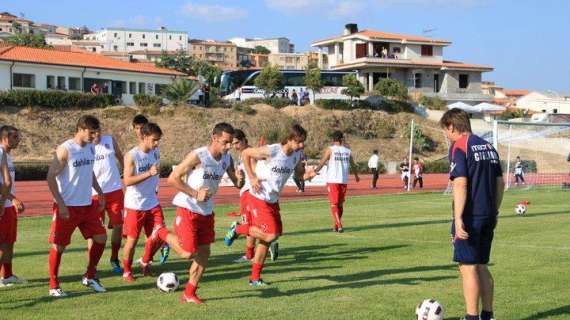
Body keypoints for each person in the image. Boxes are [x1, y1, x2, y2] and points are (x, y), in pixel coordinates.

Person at [224, 124, 316, 287]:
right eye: (299, 142)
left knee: (271, 237)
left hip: (272, 200)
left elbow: (299, 175)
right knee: (271, 234)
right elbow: (245, 153)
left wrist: (308, 175)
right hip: (258, 197)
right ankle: (238, 229)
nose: (302, 145)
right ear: (289, 139)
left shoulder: (297, 154)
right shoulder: (272, 150)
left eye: (303, 142)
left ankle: (254, 278)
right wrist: (252, 177)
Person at [168, 123, 244, 304]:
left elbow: (237, 184)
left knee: (203, 254)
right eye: (225, 143)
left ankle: (189, 292)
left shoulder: (227, 159)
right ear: (214, 138)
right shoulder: (199, 155)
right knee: (188, 253)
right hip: (188, 207)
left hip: (206, 212)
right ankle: (160, 233)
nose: (228, 147)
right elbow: (173, 179)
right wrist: (195, 194)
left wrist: (241, 179)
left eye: (230, 143)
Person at [440, 108, 504, 320]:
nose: (446, 135)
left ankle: (471, 317)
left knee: (468, 268)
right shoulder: (489, 147)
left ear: (452, 126)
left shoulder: (459, 146)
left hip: (470, 217)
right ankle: (488, 315)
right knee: (482, 265)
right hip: (487, 215)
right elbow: (500, 183)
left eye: (446, 130)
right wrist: (494, 211)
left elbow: (460, 183)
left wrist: (458, 218)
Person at [46, 115, 108, 297]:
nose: (94, 135)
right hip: (67, 206)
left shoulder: (91, 148)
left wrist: (100, 192)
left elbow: (90, 173)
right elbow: (50, 177)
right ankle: (53, 285)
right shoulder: (65, 149)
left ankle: (90, 276)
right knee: (59, 247)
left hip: (87, 205)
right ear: (80, 129)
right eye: (91, 132)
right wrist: (61, 203)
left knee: (101, 238)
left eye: (96, 132)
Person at [131, 115, 170, 264]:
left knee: (155, 233)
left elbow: (155, 171)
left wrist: (154, 187)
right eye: (137, 128)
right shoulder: (134, 153)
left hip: (151, 199)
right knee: (135, 238)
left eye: (142, 128)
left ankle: (147, 260)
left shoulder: (155, 150)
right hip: (136, 201)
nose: (140, 131)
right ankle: (137, 264)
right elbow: (128, 179)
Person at [91, 127, 125, 274]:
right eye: (93, 132)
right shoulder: (85, 147)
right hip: (94, 194)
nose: (97, 134)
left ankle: (114, 258)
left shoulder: (109, 140)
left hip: (115, 191)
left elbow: (120, 156)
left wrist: (126, 173)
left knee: (118, 225)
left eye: (98, 130)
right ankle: (93, 264)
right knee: (95, 230)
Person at [313, 130, 360, 232]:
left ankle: (339, 225)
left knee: (334, 204)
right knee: (340, 204)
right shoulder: (347, 151)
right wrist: (356, 176)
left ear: (333, 139)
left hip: (333, 180)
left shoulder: (330, 149)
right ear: (341, 139)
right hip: (343, 180)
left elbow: (322, 162)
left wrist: (314, 171)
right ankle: (336, 225)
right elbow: (353, 165)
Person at [0, 126, 25, 287]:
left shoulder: (7, 155)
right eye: (15, 136)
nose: (18, 139)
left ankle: (7, 275)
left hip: (8, 206)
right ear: (4, 137)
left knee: (9, 241)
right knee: (2, 243)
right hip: (2, 204)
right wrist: (12, 198)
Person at [231, 129, 257, 263]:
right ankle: (250, 254)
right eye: (233, 144)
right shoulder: (241, 156)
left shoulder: (251, 153)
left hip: (251, 193)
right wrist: (239, 178)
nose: (235, 146)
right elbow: (240, 183)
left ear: (243, 140)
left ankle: (236, 229)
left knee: (250, 224)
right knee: (251, 224)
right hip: (245, 192)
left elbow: (256, 172)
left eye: (237, 143)